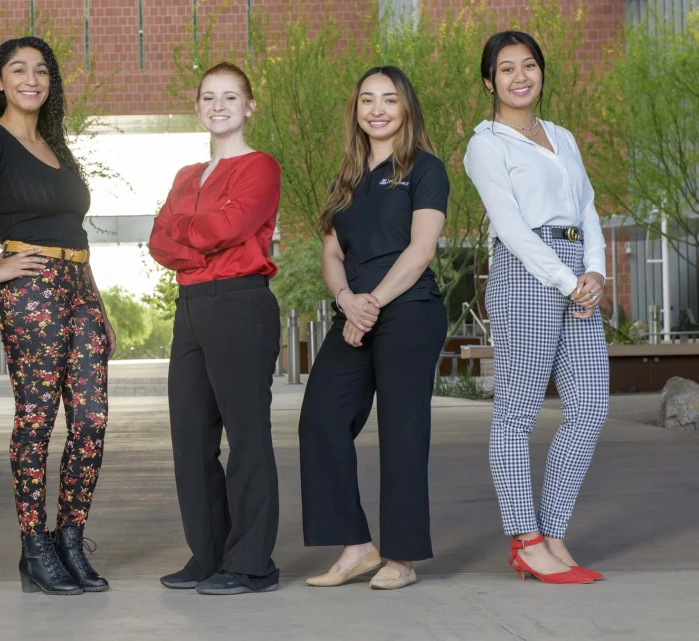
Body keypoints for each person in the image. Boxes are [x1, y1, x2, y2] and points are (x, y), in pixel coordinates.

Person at [0, 37, 115, 596]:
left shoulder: (57, 148)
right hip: (31, 290)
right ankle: (34, 546)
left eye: (41, 70)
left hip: (79, 287)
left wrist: (97, 304)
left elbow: (73, 234)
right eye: (18, 69)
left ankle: (70, 540)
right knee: (37, 416)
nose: (31, 78)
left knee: (92, 421)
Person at [296, 66, 448, 591]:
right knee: (320, 419)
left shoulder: (425, 169)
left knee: (402, 431)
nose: (377, 109)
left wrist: (372, 304)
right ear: (356, 110)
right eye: (367, 100)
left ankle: (402, 558)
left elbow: (421, 248)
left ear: (406, 108)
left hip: (408, 309)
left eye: (389, 99)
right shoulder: (346, 178)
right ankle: (358, 547)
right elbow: (332, 253)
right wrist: (346, 301)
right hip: (355, 308)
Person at [464, 31, 606, 585]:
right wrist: (568, 280)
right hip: (527, 275)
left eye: (529, 65)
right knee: (517, 414)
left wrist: (593, 271)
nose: (520, 76)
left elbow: (588, 207)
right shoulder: (487, 144)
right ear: (489, 81)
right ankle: (525, 538)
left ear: (542, 72)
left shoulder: (562, 136)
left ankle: (552, 530)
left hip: (576, 272)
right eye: (506, 69)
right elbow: (511, 227)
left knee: (591, 404)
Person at [148, 62, 282, 596]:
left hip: (240, 303)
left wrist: (185, 230)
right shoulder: (186, 176)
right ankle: (208, 554)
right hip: (191, 307)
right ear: (198, 107)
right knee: (190, 437)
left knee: (247, 435)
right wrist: (193, 234)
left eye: (230, 97)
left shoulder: (259, 167)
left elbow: (228, 227)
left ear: (249, 106)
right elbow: (160, 243)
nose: (218, 105)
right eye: (209, 97)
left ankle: (251, 564)